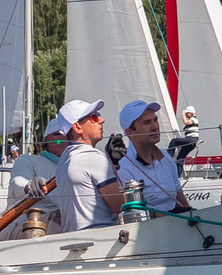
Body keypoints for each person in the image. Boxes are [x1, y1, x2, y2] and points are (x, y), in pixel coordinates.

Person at [54, 98, 121, 231]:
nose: (102, 120)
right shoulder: (92, 157)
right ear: (77, 127)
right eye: (94, 117)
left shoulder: (64, 159)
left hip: (77, 239)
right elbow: (123, 207)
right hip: (103, 238)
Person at [116, 99, 186, 214]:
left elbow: (180, 197)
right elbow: (134, 213)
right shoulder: (123, 167)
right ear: (130, 132)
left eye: (155, 120)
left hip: (177, 222)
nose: (155, 127)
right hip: (150, 227)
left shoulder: (165, 158)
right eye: (146, 122)